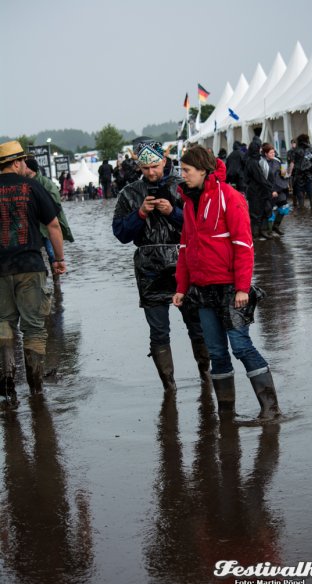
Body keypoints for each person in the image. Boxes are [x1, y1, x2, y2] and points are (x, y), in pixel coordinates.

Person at [172, 145, 281, 420]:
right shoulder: (187, 203)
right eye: (182, 170)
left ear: (203, 170)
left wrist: (243, 287)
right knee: (217, 353)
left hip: (231, 288)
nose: (182, 175)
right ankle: (227, 414)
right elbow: (184, 248)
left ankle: (271, 409)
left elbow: (244, 244)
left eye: (186, 170)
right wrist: (181, 288)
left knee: (241, 347)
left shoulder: (229, 197)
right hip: (202, 289)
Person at [112, 140, 209, 395]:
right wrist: (140, 214)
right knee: (158, 330)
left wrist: (174, 212)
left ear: (164, 161)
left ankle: (206, 375)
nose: (151, 173)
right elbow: (120, 234)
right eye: (145, 169)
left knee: (196, 323)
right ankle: (169, 386)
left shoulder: (184, 186)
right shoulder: (129, 193)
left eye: (155, 166)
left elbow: (202, 225)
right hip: (149, 266)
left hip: (184, 261)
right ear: (139, 167)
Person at [0, 141, 67, 409]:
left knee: (3, 321)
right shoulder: (32, 186)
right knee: (34, 327)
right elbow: (53, 224)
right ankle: (36, 389)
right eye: (23, 161)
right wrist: (59, 260)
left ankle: (6, 386)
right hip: (29, 265)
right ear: (16, 162)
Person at [25, 157, 74, 274]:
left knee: (51, 253)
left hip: (46, 226)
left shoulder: (46, 183)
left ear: (30, 169)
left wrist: (41, 208)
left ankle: (56, 281)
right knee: (34, 254)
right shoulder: (23, 182)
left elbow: (55, 202)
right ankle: (44, 279)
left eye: (25, 166)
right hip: (32, 227)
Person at [244, 141, 273, 238]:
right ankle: (256, 233)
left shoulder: (252, 160)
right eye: (259, 148)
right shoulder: (253, 162)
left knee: (260, 211)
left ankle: (259, 232)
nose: (260, 150)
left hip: (256, 190)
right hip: (256, 191)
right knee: (256, 213)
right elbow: (259, 177)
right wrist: (268, 186)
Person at [261, 143, 290, 236]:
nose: (273, 154)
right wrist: (272, 191)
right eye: (270, 153)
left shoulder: (277, 161)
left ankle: (276, 226)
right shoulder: (262, 163)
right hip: (269, 190)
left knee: (284, 206)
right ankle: (269, 230)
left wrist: (284, 173)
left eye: (273, 152)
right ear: (265, 153)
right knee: (270, 211)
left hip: (280, 188)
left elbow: (283, 174)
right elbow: (263, 180)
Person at [288, 133, 312, 209]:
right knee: (309, 188)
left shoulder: (295, 150)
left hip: (299, 172)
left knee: (299, 189)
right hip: (308, 172)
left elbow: (292, 162)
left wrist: (290, 173)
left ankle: (301, 204)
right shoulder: (310, 149)